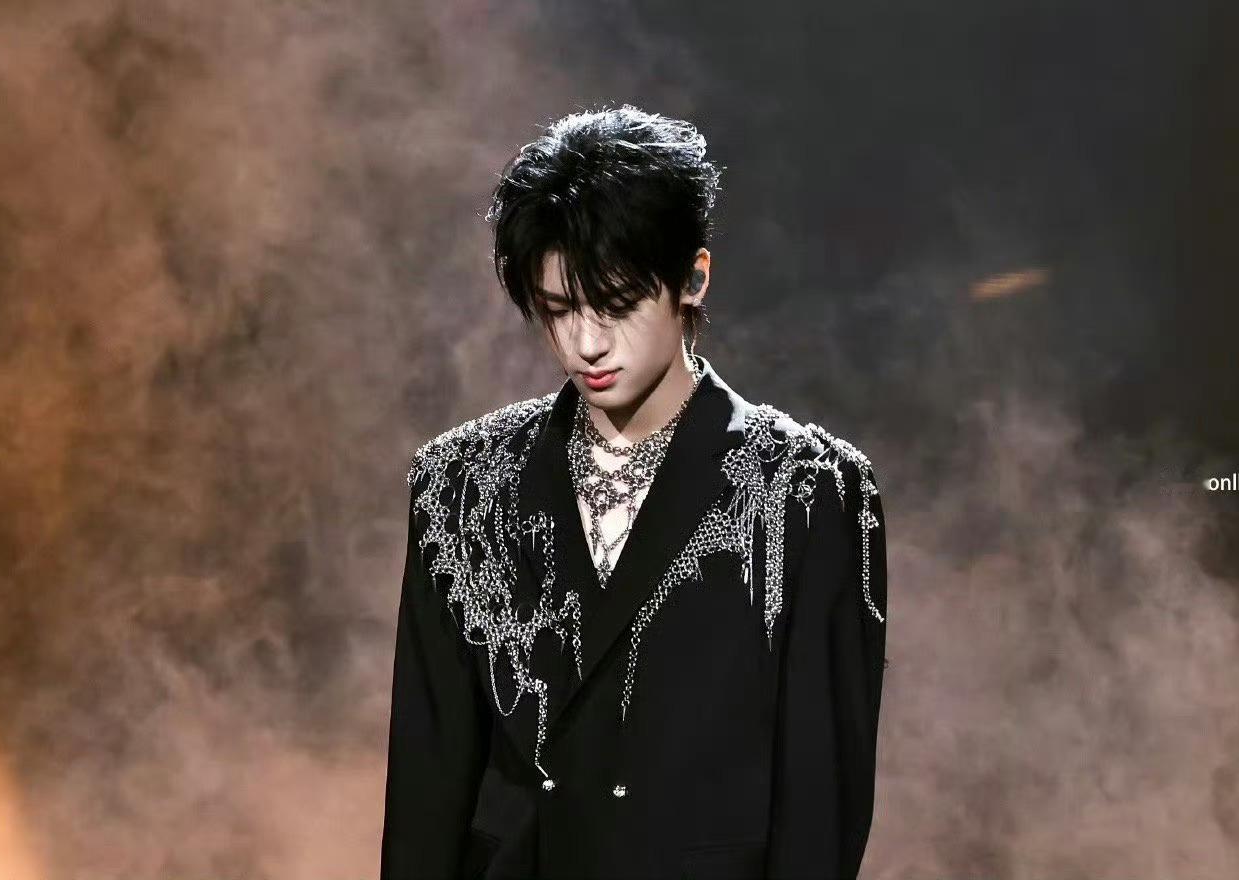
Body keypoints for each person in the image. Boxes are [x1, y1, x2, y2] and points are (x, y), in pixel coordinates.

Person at [380, 104, 889, 880]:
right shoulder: (459, 486)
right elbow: (427, 789)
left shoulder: (809, 495)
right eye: (558, 310)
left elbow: (819, 809)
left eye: (616, 305)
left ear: (693, 278)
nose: (586, 342)